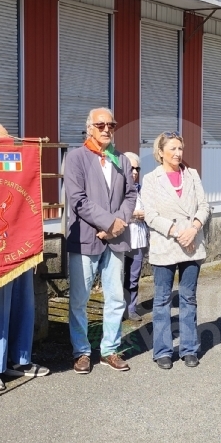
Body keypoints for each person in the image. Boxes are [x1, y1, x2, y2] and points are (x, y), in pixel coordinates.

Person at [0, 123, 51, 392]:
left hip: (19, 245)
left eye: (4, 142)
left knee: (24, 304)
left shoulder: (19, 167)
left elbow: (29, 202)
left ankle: (20, 358)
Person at [63, 108, 138, 374]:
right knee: (80, 299)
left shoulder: (121, 160)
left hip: (115, 238)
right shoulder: (75, 158)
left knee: (116, 297)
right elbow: (78, 199)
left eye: (111, 125)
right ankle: (82, 351)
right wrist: (108, 222)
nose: (107, 129)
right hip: (85, 238)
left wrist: (118, 223)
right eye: (101, 124)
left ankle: (109, 349)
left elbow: (131, 195)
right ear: (90, 128)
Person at [142, 132, 210, 369]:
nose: (178, 153)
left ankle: (189, 348)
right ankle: (162, 350)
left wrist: (193, 228)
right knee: (161, 299)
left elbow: (204, 206)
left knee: (188, 297)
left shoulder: (191, 175)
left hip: (192, 245)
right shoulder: (151, 179)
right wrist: (175, 231)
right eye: (172, 149)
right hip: (166, 244)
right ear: (160, 152)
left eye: (180, 148)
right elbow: (150, 215)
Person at [123, 152, 148, 321]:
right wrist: (136, 214)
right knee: (118, 276)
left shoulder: (141, 190)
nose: (134, 172)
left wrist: (140, 214)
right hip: (122, 238)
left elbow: (151, 211)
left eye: (137, 168)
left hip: (139, 238)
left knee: (134, 275)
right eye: (131, 168)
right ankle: (119, 310)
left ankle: (131, 308)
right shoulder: (117, 189)